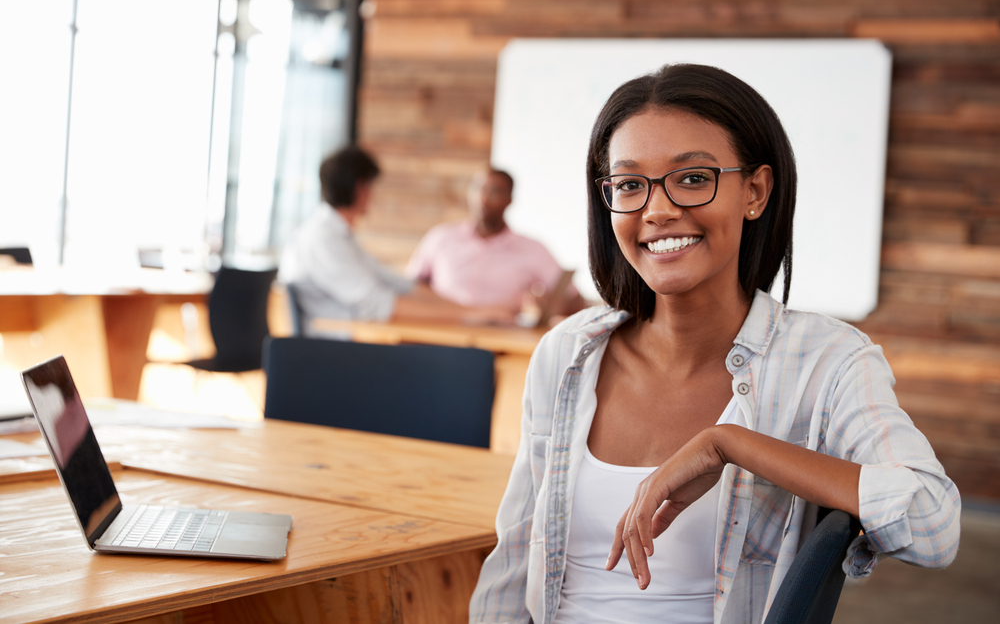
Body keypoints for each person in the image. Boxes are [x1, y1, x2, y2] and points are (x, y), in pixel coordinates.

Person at [469, 64, 960, 624]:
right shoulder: (567, 353)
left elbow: (933, 525)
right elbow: (512, 562)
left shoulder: (829, 362)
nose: (656, 209)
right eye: (629, 185)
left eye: (693, 178)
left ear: (755, 191)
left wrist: (730, 444)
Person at [279, 146, 513, 336]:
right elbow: (379, 304)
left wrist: (475, 311)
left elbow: (399, 284)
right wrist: (470, 316)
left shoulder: (338, 236)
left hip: (349, 345)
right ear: (361, 189)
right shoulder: (323, 240)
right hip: (330, 353)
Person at [406, 168, 588, 321]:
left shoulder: (533, 250)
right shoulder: (440, 239)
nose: (483, 198)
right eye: (478, 189)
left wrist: (548, 306)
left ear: (509, 200)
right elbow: (410, 287)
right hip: (441, 333)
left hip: (499, 343)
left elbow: (575, 301)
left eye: (494, 191)